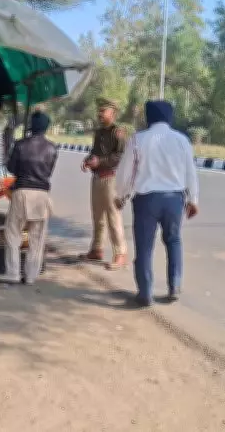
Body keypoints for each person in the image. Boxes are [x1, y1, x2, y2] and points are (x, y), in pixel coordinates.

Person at [114, 100, 200, 307]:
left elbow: (126, 171)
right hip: (174, 200)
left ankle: (145, 292)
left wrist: (121, 195)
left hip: (146, 200)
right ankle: (174, 286)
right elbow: (190, 171)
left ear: (148, 116)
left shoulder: (137, 139)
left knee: (144, 246)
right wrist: (193, 200)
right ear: (170, 116)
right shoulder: (182, 140)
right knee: (174, 241)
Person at [0, 111, 58, 286]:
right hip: (42, 195)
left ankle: (13, 273)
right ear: (46, 127)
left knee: (12, 233)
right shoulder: (52, 148)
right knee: (37, 238)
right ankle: (31, 275)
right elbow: (49, 172)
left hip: (21, 192)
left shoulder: (20, 145)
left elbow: (11, 168)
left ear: (31, 126)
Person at [79, 98, 128, 270]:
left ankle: (120, 253)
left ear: (112, 114)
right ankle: (96, 249)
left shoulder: (118, 132)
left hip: (111, 178)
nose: (99, 114)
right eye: (99, 111)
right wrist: (87, 160)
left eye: (103, 111)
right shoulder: (99, 133)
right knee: (97, 216)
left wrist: (100, 161)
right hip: (97, 177)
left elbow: (120, 157)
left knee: (113, 217)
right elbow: (94, 152)